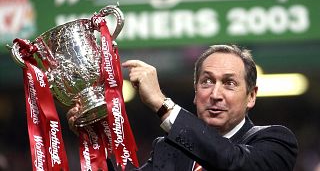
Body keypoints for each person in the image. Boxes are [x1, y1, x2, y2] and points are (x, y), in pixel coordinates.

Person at [67, 44, 298, 170]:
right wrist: (97, 140)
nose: (215, 94)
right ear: (195, 92)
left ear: (251, 96)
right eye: (207, 81)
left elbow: (231, 161)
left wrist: (162, 103)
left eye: (229, 83)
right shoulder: (169, 149)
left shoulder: (276, 142)